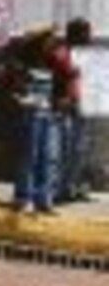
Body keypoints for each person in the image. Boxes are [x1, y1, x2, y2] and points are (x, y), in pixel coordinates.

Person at [10, 26, 60, 213]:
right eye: (48, 40)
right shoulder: (22, 66)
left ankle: (44, 198)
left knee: (47, 157)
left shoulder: (47, 64)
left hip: (46, 114)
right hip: (30, 115)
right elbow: (13, 91)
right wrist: (23, 100)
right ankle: (23, 197)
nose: (52, 44)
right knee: (28, 157)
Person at [56, 17, 92, 201]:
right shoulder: (62, 53)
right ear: (75, 34)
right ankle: (62, 189)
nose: (90, 37)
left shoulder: (84, 53)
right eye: (86, 33)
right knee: (65, 148)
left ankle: (75, 187)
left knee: (80, 149)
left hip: (83, 104)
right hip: (68, 106)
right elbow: (60, 78)